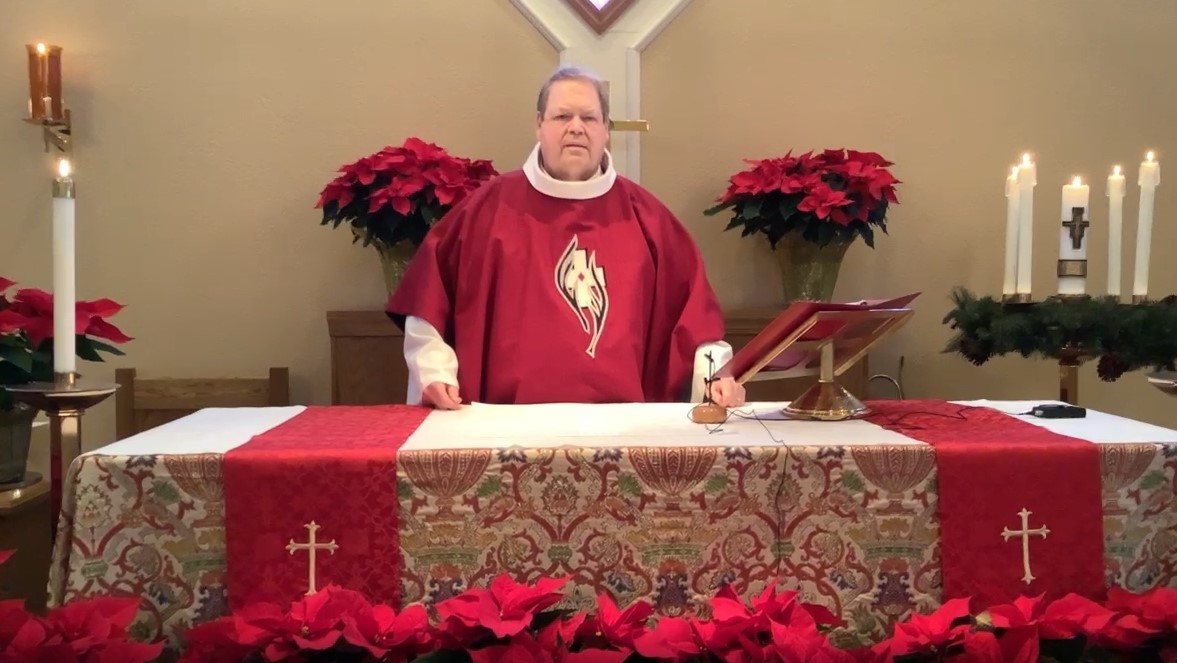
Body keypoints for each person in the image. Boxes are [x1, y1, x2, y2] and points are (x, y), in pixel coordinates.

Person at [384, 66, 745, 410]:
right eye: (562, 117)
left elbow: (695, 322)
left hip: (623, 426)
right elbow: (428, 303)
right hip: (504, 423)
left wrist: (713, 375)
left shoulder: (648, 218)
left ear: (606, 129)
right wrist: (434, 370)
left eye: (589, 118)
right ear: (539, 125)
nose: (576, 128)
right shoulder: (487, 210)